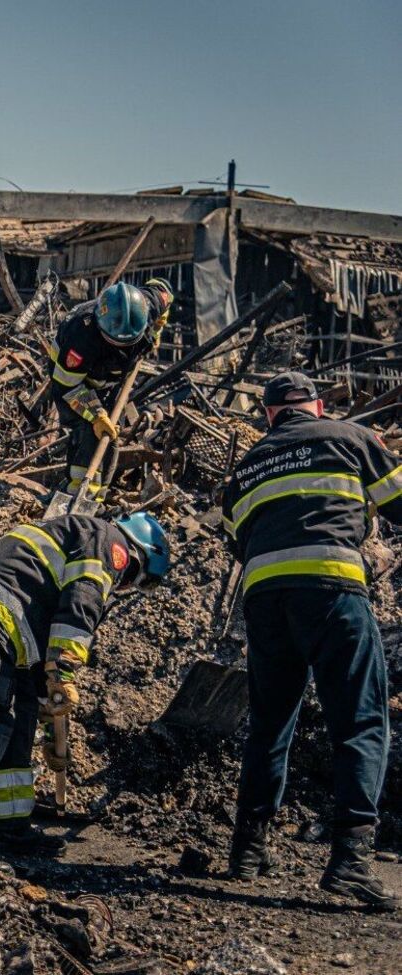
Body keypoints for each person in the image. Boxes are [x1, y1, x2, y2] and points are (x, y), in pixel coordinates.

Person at [222, 371, 401, 909]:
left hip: (265, 599)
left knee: (271, 723)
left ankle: (247, 850)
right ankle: (351, 860)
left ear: (270, 415)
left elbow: (238, 541)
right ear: (318, 408)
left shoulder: (247, 465)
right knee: (362, 720)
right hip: (332, 591)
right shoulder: (350, 437)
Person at [0, 512, 170, 856]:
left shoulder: (82, 538)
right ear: (137, 556)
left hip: (6, 620)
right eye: (138, 579)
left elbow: (47, 644)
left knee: (20, 721)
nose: (127, 586)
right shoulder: (107, 542)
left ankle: (7, 829)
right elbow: (80, 606)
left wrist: (48, 717)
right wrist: (65, 670)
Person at [48, 279, 173, 500]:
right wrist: (96, 415)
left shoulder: (149, 303)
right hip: (74, 381)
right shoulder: (80, 336)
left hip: (114, 378)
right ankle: (76, 490)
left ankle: (100, 493)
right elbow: (68, 388)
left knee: (112, 432)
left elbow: (163, 290)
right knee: (88, 430)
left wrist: (158, 325)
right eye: (117, 342)